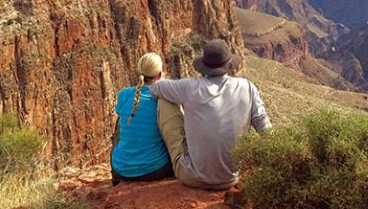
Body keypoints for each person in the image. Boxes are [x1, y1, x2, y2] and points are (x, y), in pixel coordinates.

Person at [150, 38, 271, 190]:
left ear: (204, 66)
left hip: (193, 177)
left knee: (165, 101)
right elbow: (263, 123)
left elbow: (155, 88)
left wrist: (160, 77)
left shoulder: (189, 87)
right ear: (229, 64)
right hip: (231, 177)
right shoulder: (247, 87)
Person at [110, 52, 173, 185]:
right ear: (160, 74)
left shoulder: (124, 95)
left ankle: (116, 176)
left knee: (122, 122)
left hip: (120, 170)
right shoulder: (164, 98)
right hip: (155, 170)